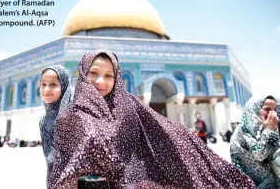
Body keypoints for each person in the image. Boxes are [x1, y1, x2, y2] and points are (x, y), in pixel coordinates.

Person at [49, 50, 255, 189]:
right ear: (83, 74)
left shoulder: (127, 106)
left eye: (109, 75)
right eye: (94, 73)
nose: (101, 81)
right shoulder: (69, 118)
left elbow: (165, 129)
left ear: (118, 78)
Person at [230, 95, 280, 188]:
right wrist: (269, 129)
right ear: (254, 109)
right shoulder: (243, 132)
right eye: (267, 109)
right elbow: (259, 155)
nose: (272, 113)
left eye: (274, 110)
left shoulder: (265, 128)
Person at [39, 65, 73, 184]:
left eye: (53, 84)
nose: (46, 89)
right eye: (43, 84)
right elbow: (50, 160)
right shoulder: (44, 121)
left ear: (63, 86)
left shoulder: (76, 114)